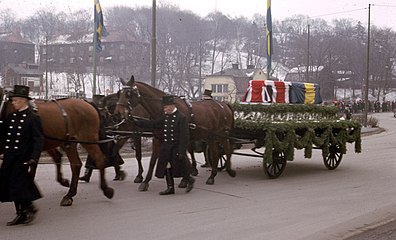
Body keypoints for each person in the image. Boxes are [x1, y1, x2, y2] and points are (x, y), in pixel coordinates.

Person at [0, 85, 44, 226]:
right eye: (13, 101)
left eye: (15, 100)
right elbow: (3, 135)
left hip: (22, 158)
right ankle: (22, 212)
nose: (13, 103)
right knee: (10, 185)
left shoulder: (32, 118)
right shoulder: (11, 117)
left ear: (24, 100)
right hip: (9, 157)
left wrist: (34, 158)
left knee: (17, 185)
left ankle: (28, 208)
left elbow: (38, 139)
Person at [133, 95, 195, 195]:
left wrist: (181, 151)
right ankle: (170, 188)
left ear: (171, 106)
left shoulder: (181, 117)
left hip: (176, 147)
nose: (164, 109)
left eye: (165, 107)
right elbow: (154, 124)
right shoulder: (166, 116)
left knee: (181, 167)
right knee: (167, 167)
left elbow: (185, 137)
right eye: (164, 108)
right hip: (166, 147)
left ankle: (189, 179)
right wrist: (138, 122)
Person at [79, 94, 126, 182]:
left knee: (112, 155)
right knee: (93, 154)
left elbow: (111, 123)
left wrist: (109, 129)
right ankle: (87, 175)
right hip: (99, 136)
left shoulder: (106, 112)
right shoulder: (95, 112)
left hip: (106, 137)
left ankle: (118, 172)